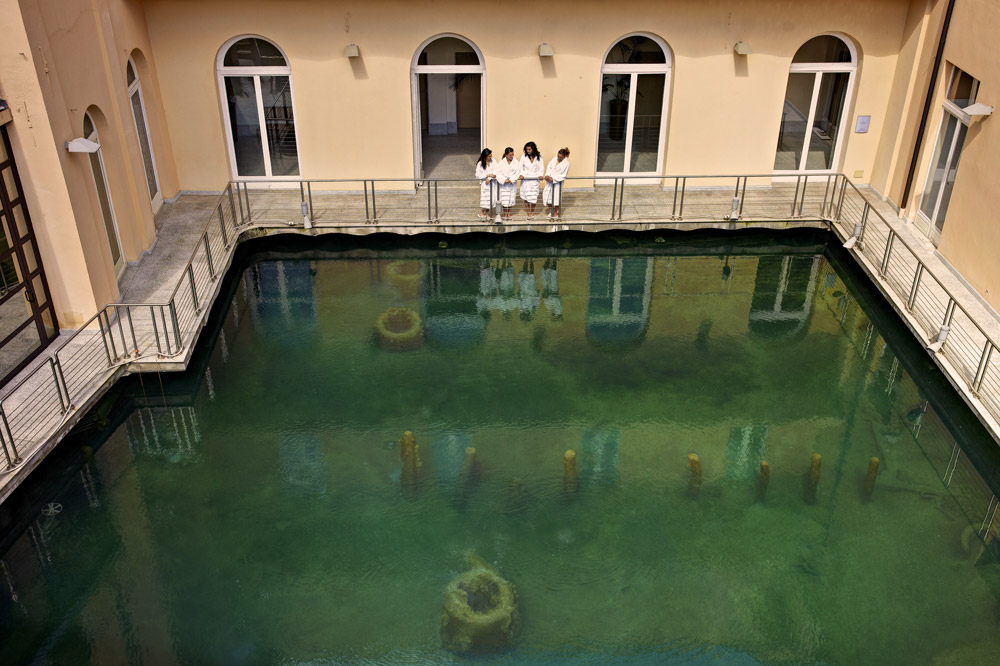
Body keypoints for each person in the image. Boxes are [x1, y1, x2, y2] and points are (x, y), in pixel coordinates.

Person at [518, 142, 545, 221]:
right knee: (526, 196)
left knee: (533, 197)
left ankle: (532, 212)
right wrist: (522, 175)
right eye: (527, 149)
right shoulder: (523, 157)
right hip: (526, 179)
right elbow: (520, 168)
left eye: (529, 149)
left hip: (534, 179)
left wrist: (540, 175)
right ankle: (528, 213)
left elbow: (541, 168)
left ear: (533, 149)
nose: (528, 151)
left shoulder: (539, 157)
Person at [494, 147, 521, 224]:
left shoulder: (516, 163)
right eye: (510, 155)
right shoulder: (501, 163)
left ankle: (509, 214)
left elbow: (518, 173)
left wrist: (511, 179)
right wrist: (504, 180)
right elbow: (498, 173)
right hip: (504, 185)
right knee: (504, 199)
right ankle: (505, 214)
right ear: (506, 155)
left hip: (512, 184)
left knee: (511, 199)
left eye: (512, 154)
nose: (512, 156)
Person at [544, 147, 570, 220]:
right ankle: (551, 211)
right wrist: (547, 175)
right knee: (547, 197)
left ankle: (555, 212)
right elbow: (549, 167)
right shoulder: (554, 159)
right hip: (549, 181)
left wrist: (553, 179)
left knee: (556, 198)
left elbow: (563, 175)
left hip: (557, 183)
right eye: (558, 156)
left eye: (560, 157)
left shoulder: (566, 164)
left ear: (564, 156)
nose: (558, 158)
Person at [475, 148, 498, 221]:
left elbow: (496, 170)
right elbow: (477, 175)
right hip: (485, 184)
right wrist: (487, 175)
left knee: (491, 198)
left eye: (491, 155)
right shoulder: (480, 163)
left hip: (492, 183)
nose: (490, 157)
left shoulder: (493, 161)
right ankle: (483, 212)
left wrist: (490, 177)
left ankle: (486, 213)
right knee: (486, 198)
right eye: (489, 156)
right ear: (485, 156)